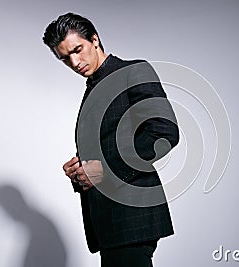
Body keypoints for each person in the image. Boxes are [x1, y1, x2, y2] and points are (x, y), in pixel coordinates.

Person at [43, 13, 179, 267]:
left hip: (132, 218)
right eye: (65, 58)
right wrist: (81, 170)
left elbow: (164, 133)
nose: (74, 62)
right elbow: (106, 149)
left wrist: (102, 168)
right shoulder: (93, 87)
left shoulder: (132, 71)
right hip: (109, 221)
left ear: (94, 40)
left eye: (77, 50)